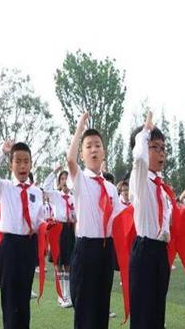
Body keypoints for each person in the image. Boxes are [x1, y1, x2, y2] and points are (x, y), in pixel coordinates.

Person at [67, 113, 125, 329]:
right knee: (84, 308)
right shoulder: (80, 180)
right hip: (86, 249)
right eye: (88, 146)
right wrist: (80, 128)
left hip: (105, 250)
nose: (93, 149)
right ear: (83, 154)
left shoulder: (111, 188)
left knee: (102, 306)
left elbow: (120, 221)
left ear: (104, 152)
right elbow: (69, 160)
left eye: (97, 145)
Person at [0, 140, 44, 329]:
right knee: (10, 298)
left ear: (31, 164)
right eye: (17, 161)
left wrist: (43, 225)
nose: (22, 166)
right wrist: (2, 152)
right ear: (11, 165)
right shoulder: (5, 187)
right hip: (9, 245)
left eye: (26, 161)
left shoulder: (36, 192)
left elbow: (38, 219)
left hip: (28, 245)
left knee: (24, 295)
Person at [128, 111, 174, 329]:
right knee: (143, 315)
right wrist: (145, 132)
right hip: (144, 251)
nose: (161, 153)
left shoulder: (163, 190)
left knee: (157, 314)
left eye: (163, 148)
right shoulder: (140, 179)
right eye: (154, 147)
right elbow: (138, 158)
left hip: (160, 253)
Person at [43, 165, 76, 308]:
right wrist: (54, 171)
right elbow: (45, 186)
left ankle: (67, 295)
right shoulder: (55, 195)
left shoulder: (74, 197)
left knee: (68, 264)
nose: (64, 181)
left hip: (69, 229)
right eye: (62, 179)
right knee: (58, 264)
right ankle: (60, 295)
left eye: (67, 178)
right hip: (57, 229)